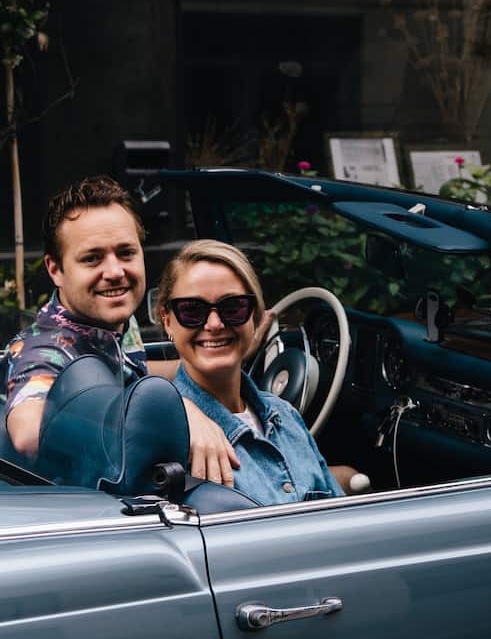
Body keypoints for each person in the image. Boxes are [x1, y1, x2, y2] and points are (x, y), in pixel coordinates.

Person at [3, 175, 270, 486]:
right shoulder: (43, 350)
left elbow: (133, 370)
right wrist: (179, 412)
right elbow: (28, 432)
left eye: (126, 253)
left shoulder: (113, 321)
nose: (115, 272)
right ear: (55, 270)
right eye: (92, 259)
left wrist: (228, 349)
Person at [157, 239, 344, 505]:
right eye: (192, 310)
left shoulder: (286, 416)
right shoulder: (164, 432)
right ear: (167, 321)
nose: (214, 324)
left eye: (233, 308)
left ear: (255, 317)